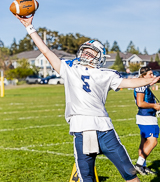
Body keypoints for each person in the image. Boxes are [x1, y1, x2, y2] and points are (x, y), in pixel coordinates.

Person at [14, 13, 160, 182]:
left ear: (100, 57)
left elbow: (128, 82)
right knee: (86, 178)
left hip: (105, 130)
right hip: (81, 131)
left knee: (129, 173)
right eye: (85, 51)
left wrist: (148, 79)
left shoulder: (106, 73)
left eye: (92, 53)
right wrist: (29, 28)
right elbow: (45, 51)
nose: (87, 55)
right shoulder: (69, 69)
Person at [134, 66, 160, 175]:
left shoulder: (143, 84)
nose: (152, 76)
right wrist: (155, 106)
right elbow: (140, 103)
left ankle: (142, 166)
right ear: (143, 75)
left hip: (146, 117)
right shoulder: (141, 85)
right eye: (150, 74)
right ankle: (139, 165)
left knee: (144, 142)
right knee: (153, 141)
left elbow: (153, 81)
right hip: (146, 117)